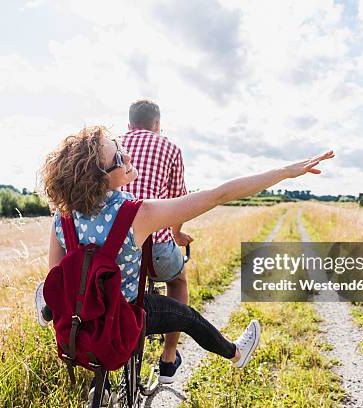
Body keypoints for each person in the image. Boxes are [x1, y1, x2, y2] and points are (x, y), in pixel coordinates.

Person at [37, 125, 334, 375]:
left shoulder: (62, 219)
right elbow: (219, 195)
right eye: (118, 155)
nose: (127, 154)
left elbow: (56, 279)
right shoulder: (136, 215)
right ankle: (234, 354)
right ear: (102, 178)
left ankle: (44, 311)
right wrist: (284, 171)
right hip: (121, 319)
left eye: (119, 144)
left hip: (80, 327)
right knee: (188, 316)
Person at [120, 99, 192, 383]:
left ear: (129, 124)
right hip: (156, 250)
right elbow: (179, 202)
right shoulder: (170, 148)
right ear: (157, 125)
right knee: (178, 281)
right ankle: (169, 357)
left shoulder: (113, 145)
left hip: (114, 248)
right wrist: (176, 235)